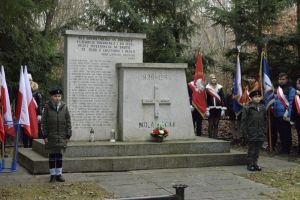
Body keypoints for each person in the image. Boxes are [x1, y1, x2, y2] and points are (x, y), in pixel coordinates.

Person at [41, 87, 72, 182]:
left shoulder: (64, 107)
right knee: (52, 156)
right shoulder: (47, 107)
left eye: (59, 96)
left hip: (62, 136)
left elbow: (68, 122)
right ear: (52, 97)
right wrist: (45, 135)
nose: (57, 98)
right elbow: (43, 122)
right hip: (51, 136)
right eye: (55, 96)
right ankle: (52, 175)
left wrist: (68, 135)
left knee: (59, 155)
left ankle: (59, 174)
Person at [241, 90, 266, 171]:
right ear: (251, 98)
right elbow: (244, 121)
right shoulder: (247, 108)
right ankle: (250, 164)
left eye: (259, 97)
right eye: (255, 97)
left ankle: (255, 163)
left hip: (260, 131)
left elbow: (265, 120)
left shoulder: (262, 107)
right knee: (251, 149)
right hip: (251, 131)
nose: (257, 98)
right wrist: (245, 133)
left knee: (257, 150)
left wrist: (264, 130)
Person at [273, 72, 295, 154]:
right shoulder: (277, 90)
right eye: (279, 79)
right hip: (277, 114)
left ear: (287, 80)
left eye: (283, 79)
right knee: (281, 133)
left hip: (285, 115)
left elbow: (291, 103)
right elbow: (275, 101)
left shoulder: (291, 89)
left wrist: (288, 115)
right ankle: (283, 148)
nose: (281, 81)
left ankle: (287, 149)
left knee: (286, 133)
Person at [205, 74, 226, 139]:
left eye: (215, 78)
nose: (214, 79)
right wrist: (207, 109)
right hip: (210, 108)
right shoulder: (207, 88)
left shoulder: (220, 88)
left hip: (218, 108)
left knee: (216, 124)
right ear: (210, 80)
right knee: (211, 124)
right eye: (212, 78)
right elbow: (205, 99)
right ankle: (210, 139)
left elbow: (222, 98)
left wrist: (223, 108)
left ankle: (215, 138)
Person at [29, 74, 43, 138]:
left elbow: (39, 104)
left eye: (29, 80)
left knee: (35, 130)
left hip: (35, 114)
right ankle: (26, 146)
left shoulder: (37, 93)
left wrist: (39, 114)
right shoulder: (23, 91)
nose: (28, 81)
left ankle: (34, 145)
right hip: (26, 114)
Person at [291, 78, 300, 155]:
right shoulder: (296, 96)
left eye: (298, 83)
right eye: (297, 84)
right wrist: (292, 119)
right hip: (298, 119)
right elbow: (294, 108)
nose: (297, 85)